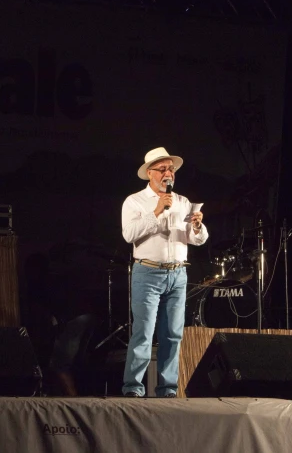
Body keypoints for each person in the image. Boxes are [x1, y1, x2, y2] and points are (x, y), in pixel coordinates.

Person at [121, 147, 208, 397]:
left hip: (178, 274)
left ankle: (168, 390)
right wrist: (157, 210)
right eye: (163, 169)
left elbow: (195, 240)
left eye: (171, 169)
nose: (168, 173)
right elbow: (129, 234)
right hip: (147, 273)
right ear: (150, 173)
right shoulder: (134, 201)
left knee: (172, 334)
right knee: (144, 333)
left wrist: (197, 226)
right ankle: (133, 389)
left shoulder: (181, 201)